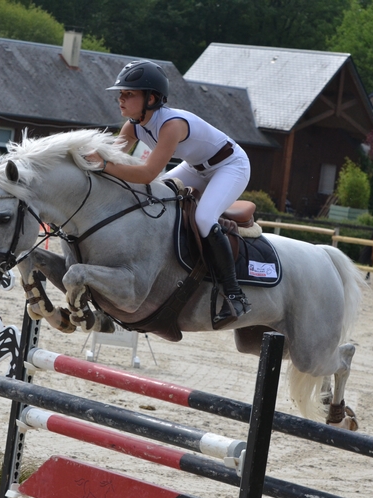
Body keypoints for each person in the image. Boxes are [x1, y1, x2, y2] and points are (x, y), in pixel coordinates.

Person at [87, 60, 251, 327]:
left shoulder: (171, 125)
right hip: (196, 167)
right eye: (121, 93)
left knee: (204, 218)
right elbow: (112, 157)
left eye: (129, 94)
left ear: (151, 98)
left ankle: (235, 294)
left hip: (230, 165)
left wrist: (104, 164)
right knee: (155, 200)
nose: (121, 99)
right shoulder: (132, 125)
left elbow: (146, 173)